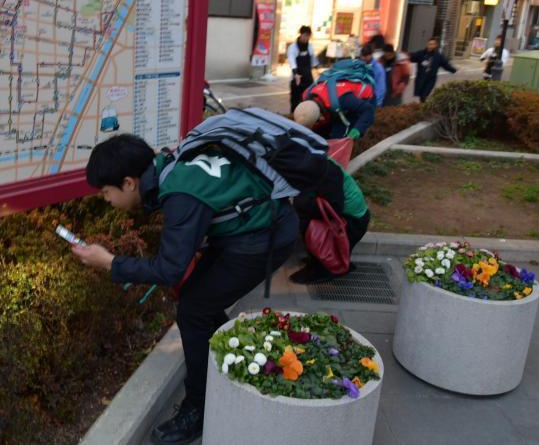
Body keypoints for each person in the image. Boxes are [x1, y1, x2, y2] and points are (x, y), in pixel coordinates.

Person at [71, 134, 297, 445]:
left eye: (106, 192)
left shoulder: (180, 195)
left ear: (129, 183)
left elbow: (168, 269)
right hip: (253, 227)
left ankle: (199, 409)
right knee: (196, 301)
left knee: (193, 311)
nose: (105, 199)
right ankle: (236, 363)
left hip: (263, 237)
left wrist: (109, 262)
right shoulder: (170, 165)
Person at [288, 157, 371, 284]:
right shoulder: (313, 162)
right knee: (303, 213)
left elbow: (334, 206)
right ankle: (320, 262)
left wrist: (301, 203)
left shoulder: (325, 169)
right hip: (344, 217)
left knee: (307, 223)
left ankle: (323, 270)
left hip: (352, 222)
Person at [409, 38, 457, 103]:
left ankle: (423, 105)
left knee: (424, 94)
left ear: (435, 45)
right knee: (421, 94)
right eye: (429, 44)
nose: (430, 46)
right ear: (427, 44)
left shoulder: (438, 56)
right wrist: (404, 56)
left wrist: (453, 70)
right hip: (421, 78)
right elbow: (412, 57)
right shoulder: (421, 54)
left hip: (430, 79)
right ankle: (422, 104)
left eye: (432, 44)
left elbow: (445, 64)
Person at [287, 25, 319, 113]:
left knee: (308, 98)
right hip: (297, 77)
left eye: (308, 36)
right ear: (300, 34)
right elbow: (292, 61)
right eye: (305, 36)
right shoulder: (293, 47)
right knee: (296, 100)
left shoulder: (310, 46)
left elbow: (313, 59)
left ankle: (307, 115)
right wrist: (296, 74)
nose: (306, 38)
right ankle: (294, 115)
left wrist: (317, 69)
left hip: (308, 77)